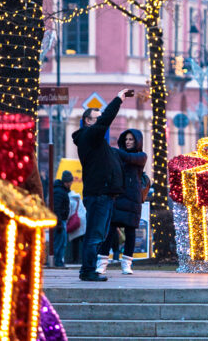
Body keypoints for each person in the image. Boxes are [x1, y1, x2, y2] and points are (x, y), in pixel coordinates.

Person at [72, 88, 133, 282]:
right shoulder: (89, 137)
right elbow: (106, 120)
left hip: (105, 194)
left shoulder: (96, 142)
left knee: (100, 234)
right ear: (88, 121)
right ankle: (88, 270)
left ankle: (89, 269)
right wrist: (117, 99)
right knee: (95, 234)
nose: (101, 121)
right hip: (99, 194)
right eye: (96, 118)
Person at [96, 129, 147, 276]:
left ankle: (126, 264)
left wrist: (111, 150)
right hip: (117, 196)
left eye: (131, 139)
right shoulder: (117, 155)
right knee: (110, 231)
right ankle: (102, 264)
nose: (128, 142)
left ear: (137, 141)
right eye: (126, 139)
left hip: (133, 198)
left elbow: (128, 158)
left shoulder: (141, 156)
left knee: (130, 232)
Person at [51, 171, 73, 268]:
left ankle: (59, 261)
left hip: (61, 221)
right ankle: (58, 261)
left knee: (61, 242)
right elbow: (57, 208)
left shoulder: (60, 191)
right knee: (60, 242)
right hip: (60, 221)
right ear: (67, 182)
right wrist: (59, 222)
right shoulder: (60, 192)